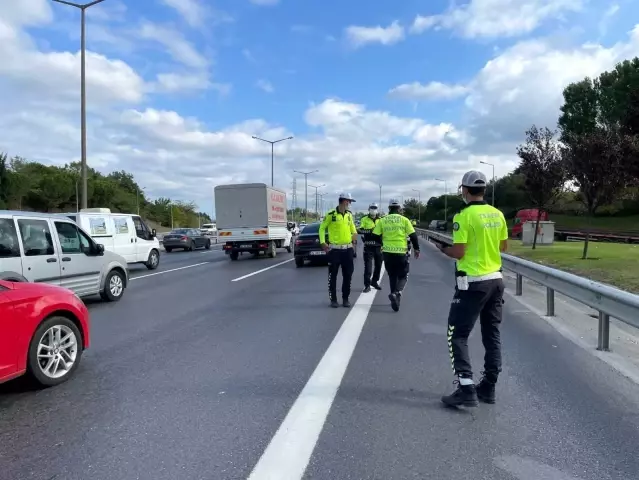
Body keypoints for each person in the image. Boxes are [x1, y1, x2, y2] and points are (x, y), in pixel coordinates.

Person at [437, 170, 508, 408]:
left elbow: (458, 252)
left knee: (456, 334)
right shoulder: (497, 214)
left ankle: (466, 388)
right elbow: (504, 247)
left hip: (474, 283)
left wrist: (442, 249)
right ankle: (489, 386)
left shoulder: (464, 216)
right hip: (496, 280)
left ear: (465, 190)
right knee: (492, 334)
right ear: (484, 189)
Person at [372, 199, 420, 312]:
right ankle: (396, 293)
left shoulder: (383, 220)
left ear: (389, 208)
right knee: (404, 275)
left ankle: (395, 300)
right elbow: (413, 236)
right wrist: (417, 249)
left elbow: (374, 236)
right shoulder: (404, 220)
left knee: (392, 276)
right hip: (401, 253)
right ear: (399, 209)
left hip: (387, 253)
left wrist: (383, 242)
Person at [319, 193, 358, 308]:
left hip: (348, 250)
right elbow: (322, 228)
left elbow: (353, 229)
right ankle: (333, 300)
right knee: (333, 276)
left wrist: (354, 235)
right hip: (334, 251)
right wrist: (322, 242)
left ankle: (345, 298)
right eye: (349, 201)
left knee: (348, 275)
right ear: (344, 201)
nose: (350, 204)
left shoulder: (349, 215)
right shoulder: (331, 214)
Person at [359, 203, 383, 292]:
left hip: (379, 246)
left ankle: (374, 282)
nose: (373, 209)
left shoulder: (381, 220)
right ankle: (367, 285)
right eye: (372, 208)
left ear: (377, 209)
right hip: (368, 246)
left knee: (379, 266)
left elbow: (383, 231)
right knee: (368, 267)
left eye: (375, 208)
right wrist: (371, 231)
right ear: (369, 209)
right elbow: (360, 230)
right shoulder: (364, 219)